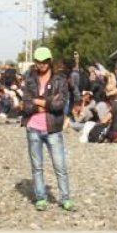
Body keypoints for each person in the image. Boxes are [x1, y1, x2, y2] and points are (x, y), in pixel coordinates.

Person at [22, 47, 73, 212]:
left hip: (53, 129)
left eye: (44, 61)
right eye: (38, 61)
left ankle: (65, 198)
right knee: (37, 167)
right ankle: (40, 198)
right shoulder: (29, 79)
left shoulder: (60, 80)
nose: (41, 64)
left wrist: (38, 101)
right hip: (33, 128)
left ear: (50, 61)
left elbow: (60, 105)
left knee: (60, 166)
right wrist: (47, 103)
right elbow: (26, 105)